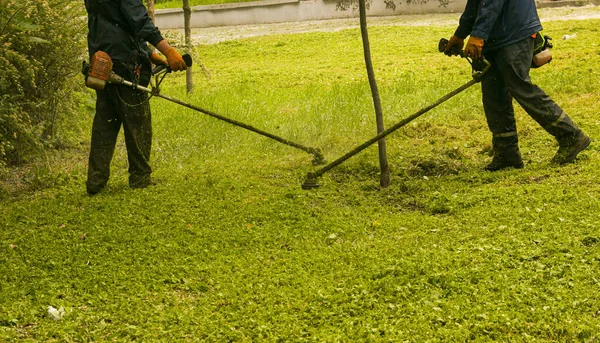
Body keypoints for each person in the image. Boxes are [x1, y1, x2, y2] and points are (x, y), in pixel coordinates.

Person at [444, 0, 590, 171]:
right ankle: (507, 154)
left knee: (520, 87)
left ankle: (571, 136)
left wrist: (478, 34)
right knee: (494, 94)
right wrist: (460, 35)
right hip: (496, 34)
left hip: (513, 30)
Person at [84, 0, 187, 195]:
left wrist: (147, 53)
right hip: (126, 67)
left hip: (102, 64)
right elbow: (139, 20)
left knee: (105, 124)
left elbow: (112, 24)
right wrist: (168, 50)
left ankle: (95, 182)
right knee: (138, 123)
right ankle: (140, 178)